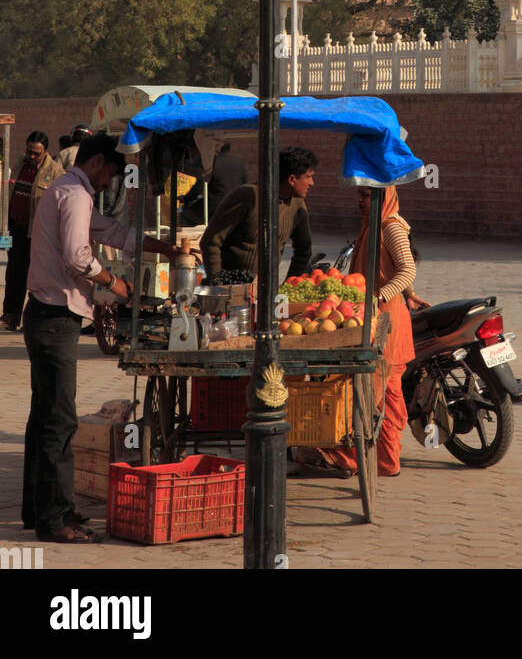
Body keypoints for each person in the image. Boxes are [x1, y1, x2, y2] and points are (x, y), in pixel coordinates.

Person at [22, 132, 184, 542]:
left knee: (44, 419)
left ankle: (39, 508)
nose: (112, 181)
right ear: (97, 163)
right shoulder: (74, 194)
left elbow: (112, 233)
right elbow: (79, 255)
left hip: (47, 315)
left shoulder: (69, 191)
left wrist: (162, 248)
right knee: (58, 422)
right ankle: (55, 519)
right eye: (111, 172)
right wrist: (115, 283)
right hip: (54, 317)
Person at [295, 185, 418, 479]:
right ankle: (385, 459)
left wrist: (380, 296)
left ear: (382, 198)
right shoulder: (374, 227)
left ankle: (359, 457)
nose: (359, 202)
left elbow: (407, 269)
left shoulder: (390, 227)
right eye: (359, 196)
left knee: (374, 393)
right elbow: (399, 270)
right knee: (385, 393)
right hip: (377, 317)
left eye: (365, 196)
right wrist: (410, 294)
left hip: (385, 321)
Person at [200, 146, 316, 280]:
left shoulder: (298, 206)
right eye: (309, 177)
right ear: (292, 179)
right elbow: (210, 242)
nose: (312, 183)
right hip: (233, 289)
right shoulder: (247, 196)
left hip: (267, 290)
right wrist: (217, 283)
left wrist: (291, 284)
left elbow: (304, 250)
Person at [1, 132, 63, 333]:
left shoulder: (55, 172)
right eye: (29, 152)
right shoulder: (19, 163)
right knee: (14, 274)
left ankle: (33, 319)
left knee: (36, 276)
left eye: (36, 153)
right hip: (16, 230)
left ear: (45, 151)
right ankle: (10, 316)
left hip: (37, 233)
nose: (32, 156)